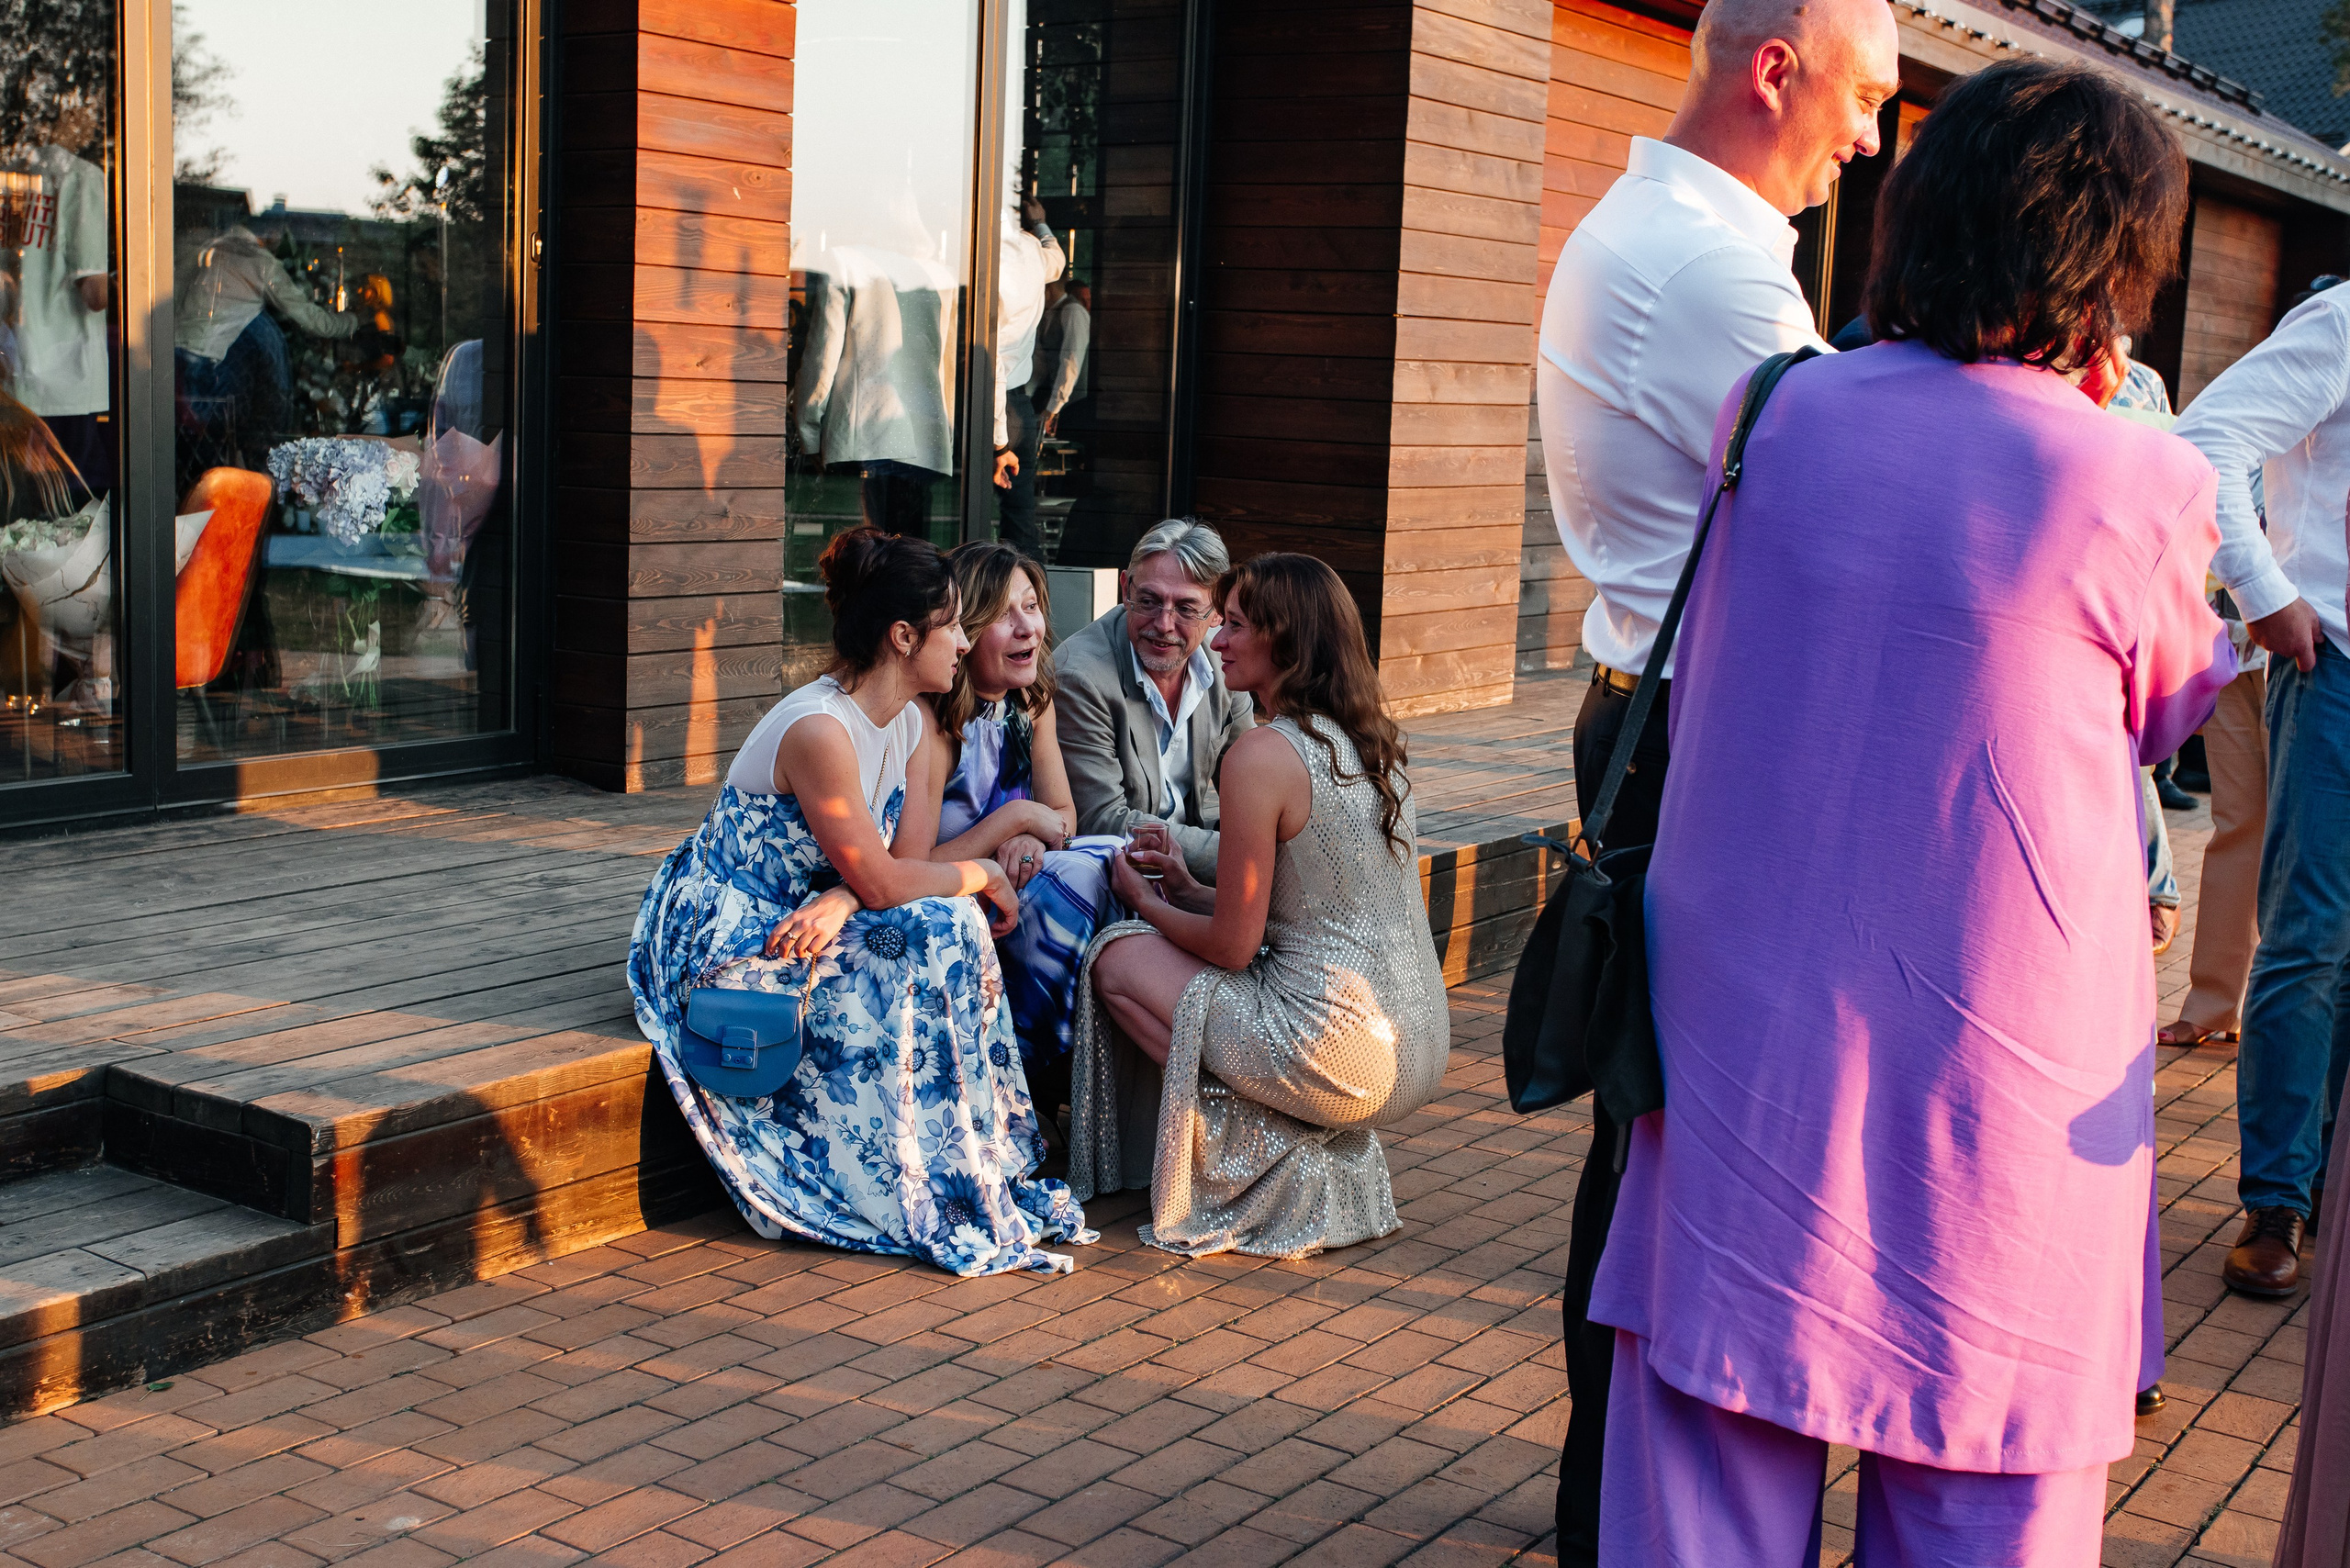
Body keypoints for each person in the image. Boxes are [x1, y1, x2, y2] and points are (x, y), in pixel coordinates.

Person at [1589, 59, 2229, 1560]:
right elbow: (2170, 707)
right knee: (1983, 1488)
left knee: (1700, 1474)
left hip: (1743, 1057)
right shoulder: (2132, 478)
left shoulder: (1776, 413)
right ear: (2109, 262)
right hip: (1993, 1093)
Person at [1528, 0, 1897, 1549]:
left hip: (1658, 713)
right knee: (1671, 1152)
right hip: (1698, 735)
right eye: (1868, 98)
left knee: (1648, 1135)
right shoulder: (1714, 266)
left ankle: (1610, 1497)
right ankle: (1623, 1506)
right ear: (1775, 71)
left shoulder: (1680, 235)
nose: (1871, 138)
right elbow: (1856, 503)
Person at [627, 527, 1093, 1277]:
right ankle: (885, 1180)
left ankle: (965, 1163)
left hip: (813, 908)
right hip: (732, 922)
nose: (964, 638)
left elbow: (895, 870)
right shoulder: (820, 728)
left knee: (944, 923)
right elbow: (891, 880)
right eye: (951, 624)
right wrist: (978, 875)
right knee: (937, 923)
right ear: (904, 637)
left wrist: (851, 896)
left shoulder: (909, 720)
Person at [1068, 552, 1449, 1257]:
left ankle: (1266, 1153)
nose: (1216, 640)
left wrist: (1141, 902)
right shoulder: (1370, 742)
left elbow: (1231, 949)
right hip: (1419, 1041)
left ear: (1286, 638)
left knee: (1114, 959)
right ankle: (1296, 1142)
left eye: (1235, 624)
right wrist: (1187, 888)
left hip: (1337, 1052)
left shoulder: (1263, 754)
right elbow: (1312, 908)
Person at [2175, 274, 2350, 1297]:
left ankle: (2326, 1180)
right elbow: (2203, 444)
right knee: (2307, 941)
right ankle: (2277, 1197)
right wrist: (2266, 591)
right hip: (2332, 671)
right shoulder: (2340, 322)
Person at [905, 542, 1125, 1104]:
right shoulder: (931, 721)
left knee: (1119, 859)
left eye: (1031, 606)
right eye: (1005, 614)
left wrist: (1029, 832)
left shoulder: (1032, 701)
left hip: (1014, 877)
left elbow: (1065, 819)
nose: (1028, 627)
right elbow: (912, 865)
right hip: (946, 893)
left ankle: (1088, 1061)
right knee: (1080, 877)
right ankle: (1028, 1071)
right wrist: (1016, 818)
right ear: (966, 629)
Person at [1053, 518, 1254, 886]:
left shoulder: (1225, 663)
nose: (1163, 624)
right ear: (1124, 587)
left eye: (1186, 608)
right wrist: (1241, 860)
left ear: (1217, 612)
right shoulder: (1080, 677)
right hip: (1111, 878)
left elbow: (1253, 788)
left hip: (1189, 873)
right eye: (1148, 601)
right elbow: (1103, 820)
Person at [990, 195, 1065, 554]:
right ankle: (1029, 604)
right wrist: (1041, 224)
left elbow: (991, 362)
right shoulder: (1033, 248)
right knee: (1020, 518)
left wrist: (998, 443)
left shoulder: (984, 259)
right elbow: (1058, 261)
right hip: (1015, 401)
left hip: (993, 401)